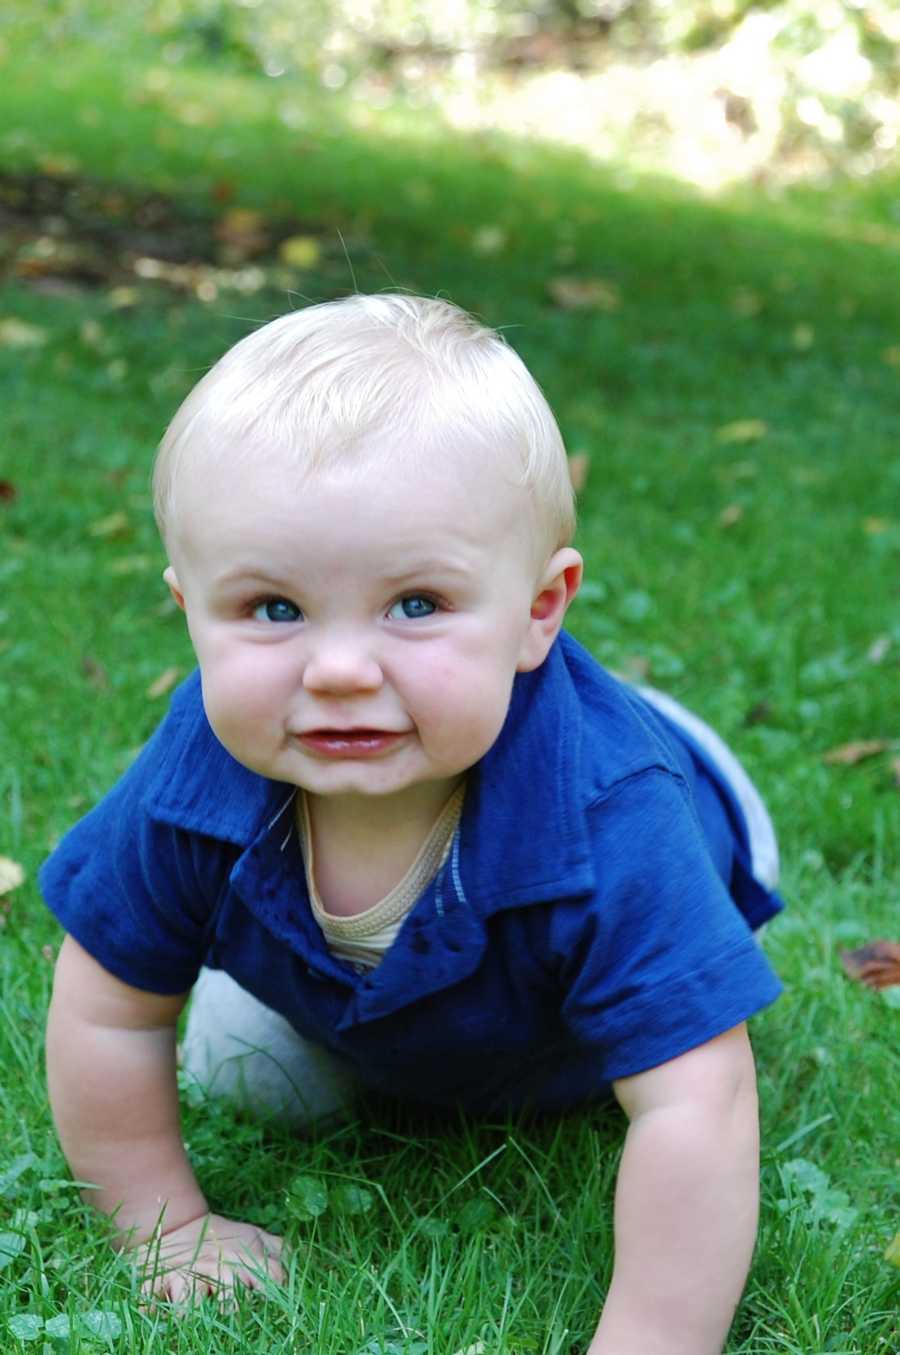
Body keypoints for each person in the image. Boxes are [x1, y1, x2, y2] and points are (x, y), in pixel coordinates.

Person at [40, 293, 784, 1354]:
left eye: (418, 603)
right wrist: (168, 1230)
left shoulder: (615, 823)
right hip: (379, 997)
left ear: (539, 609)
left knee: (656, 1019)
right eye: (274, 608)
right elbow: (110, 1004)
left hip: (653, 837)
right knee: (246, 1070)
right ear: (187, 608)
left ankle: (650, 729)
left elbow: (697, 1105)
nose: (341, 670)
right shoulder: (196, 775)